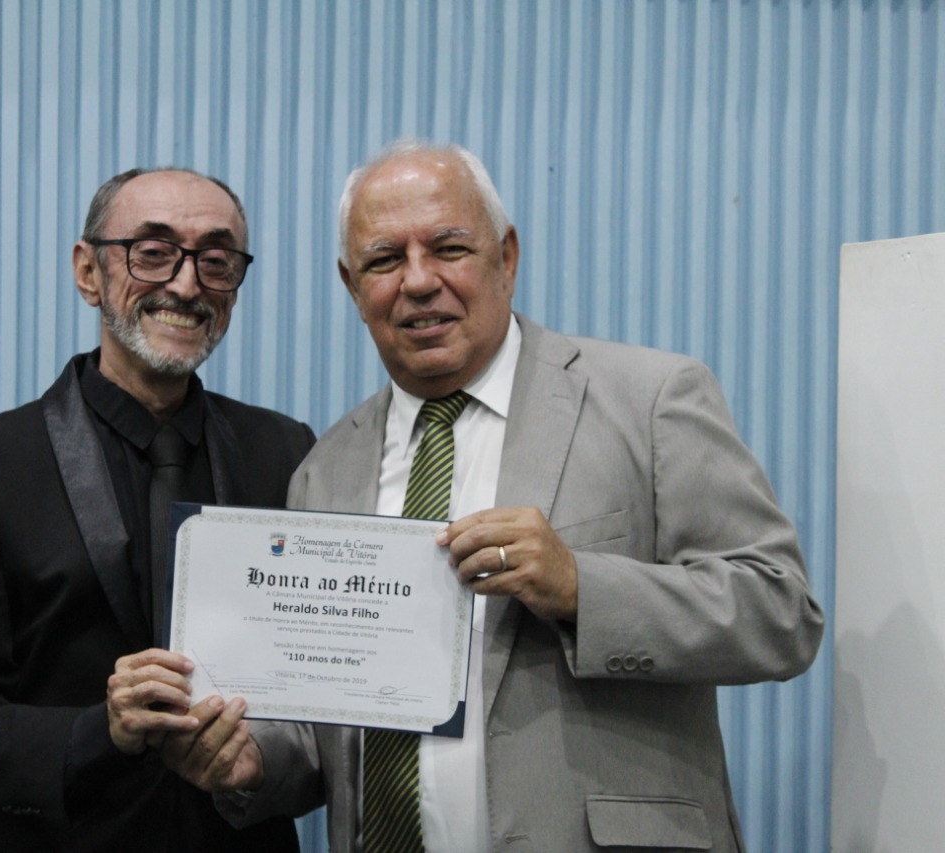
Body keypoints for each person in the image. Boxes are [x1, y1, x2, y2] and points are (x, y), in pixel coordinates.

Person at [161, 141, 825, 852]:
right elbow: (327, 723)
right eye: (384, 260)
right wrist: (252, 761)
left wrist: (580, 586)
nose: (419, 281)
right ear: (352, 286)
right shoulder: (325, 467)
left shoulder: (651, 398)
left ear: (506, 256)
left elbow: (780, 612)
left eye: (449, 248)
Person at [0, 167, 312, 851]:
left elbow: (316, 681)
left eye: (216, 261)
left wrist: (264, 762)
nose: (187, 284)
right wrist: (104, 729)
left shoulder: (285, 450)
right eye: (152, 253)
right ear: (87, 271)